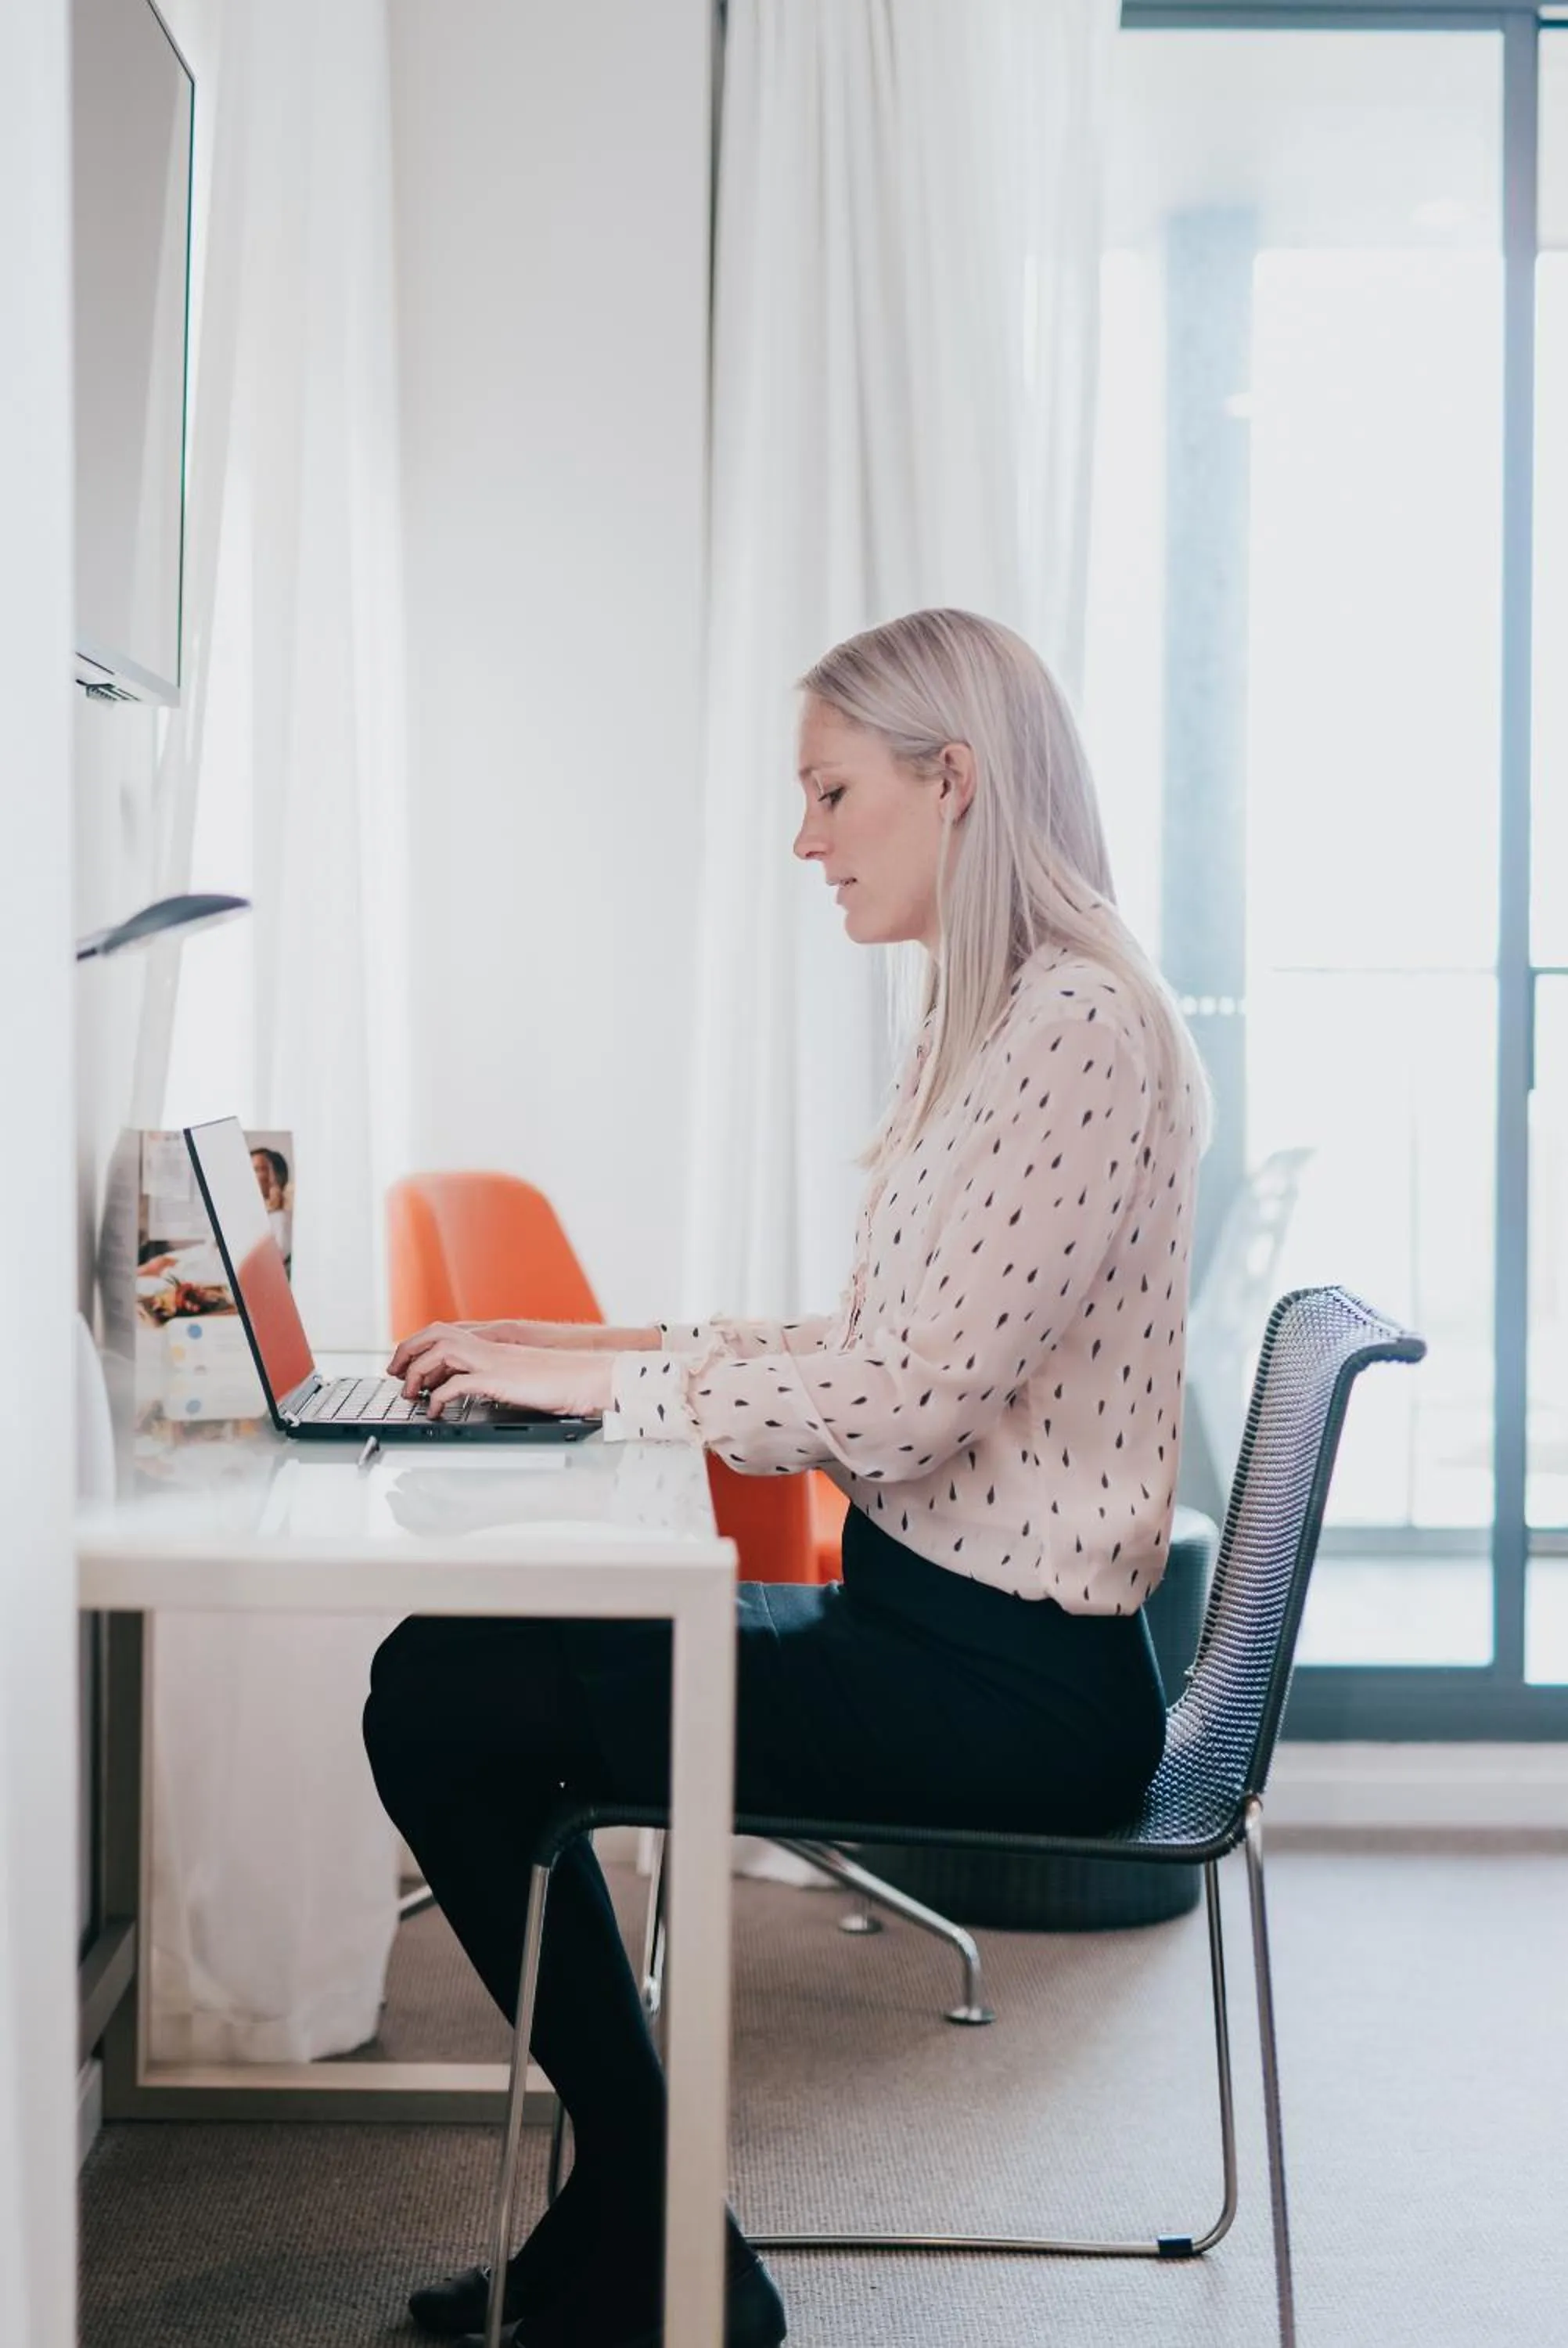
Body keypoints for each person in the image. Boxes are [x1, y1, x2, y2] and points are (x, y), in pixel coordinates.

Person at [362, 607, 1212, 2348]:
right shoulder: (992, 1011)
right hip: (931, 1629)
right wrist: (586, 1348)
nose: (804, 840)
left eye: (831, 794)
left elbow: (892, 1406)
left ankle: (656, 2231)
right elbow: (874, 1337)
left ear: (952, 783)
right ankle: (649, 2226)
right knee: (459, 1671)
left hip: (1006, 1688)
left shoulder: (1077, 1025)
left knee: (442, 1694)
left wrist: (596, 1382)